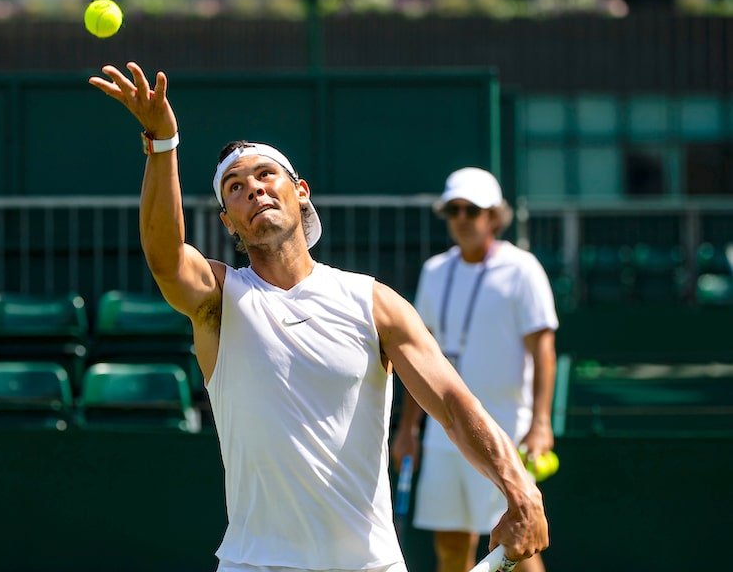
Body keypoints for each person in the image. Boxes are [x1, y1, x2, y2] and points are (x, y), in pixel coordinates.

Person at [89, 62, 549, 572]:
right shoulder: (219, 298)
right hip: (255, 564)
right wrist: (163, 144)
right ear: (228, 222)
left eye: (266, 175)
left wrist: (518, 487)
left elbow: (452, 402)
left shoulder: (373, 303)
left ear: (300, 191)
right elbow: (164, 257)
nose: (254, 189)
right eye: (235, 188)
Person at [391, 167, 559, 572]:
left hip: (505, 432)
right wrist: (409, 430)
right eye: (454, 210)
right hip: (443, 435)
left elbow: (544, 349)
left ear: (494, 216)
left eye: (472, 209)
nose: (462, 218)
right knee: (450, 548)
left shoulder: (523, 269)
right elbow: (420, 358)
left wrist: (540, 423)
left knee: (519, 551)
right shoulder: (434, 271)